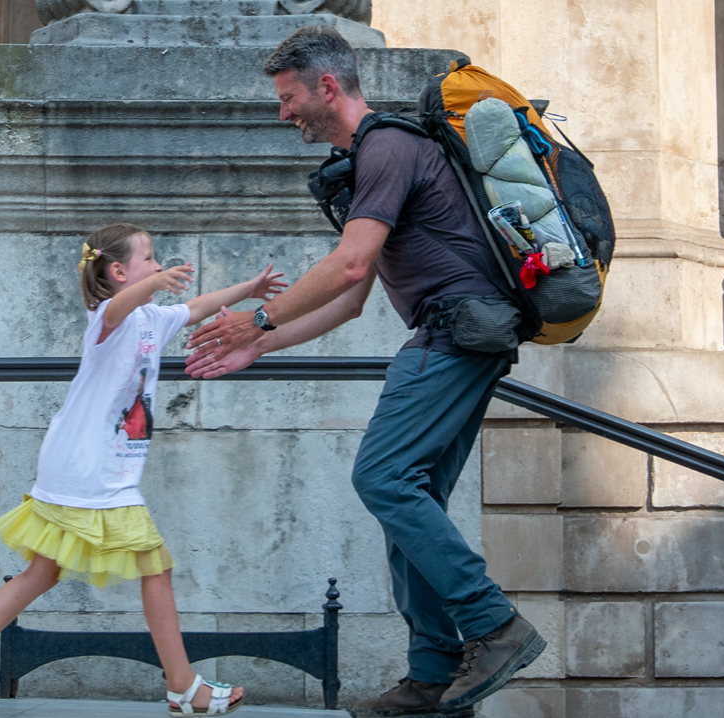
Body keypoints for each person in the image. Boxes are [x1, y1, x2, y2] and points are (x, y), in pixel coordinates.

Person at [183, 27, 545, 718]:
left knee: (381, 478)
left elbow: (347, 267)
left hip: (455, 333)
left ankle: (494, 625)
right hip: (461, 334)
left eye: (289, 98)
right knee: (409, 499)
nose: (282, 113)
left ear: (327, 86)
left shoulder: (388, 146)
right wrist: (264, 345)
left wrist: (257, 320)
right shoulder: (373, 159)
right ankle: (433, 674)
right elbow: (350, 301)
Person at [0, 223, 286, 718]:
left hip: (91, 468)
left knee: (43, 572)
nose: (159, 266)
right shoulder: (109, 316)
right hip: (89, 470)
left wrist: (250, 292)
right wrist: (152, 284)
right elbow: (119, 306)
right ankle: (185, 688)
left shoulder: (153, 318)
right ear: (119, 271)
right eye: (150, 259)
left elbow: (200, 306)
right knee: (156, 568)